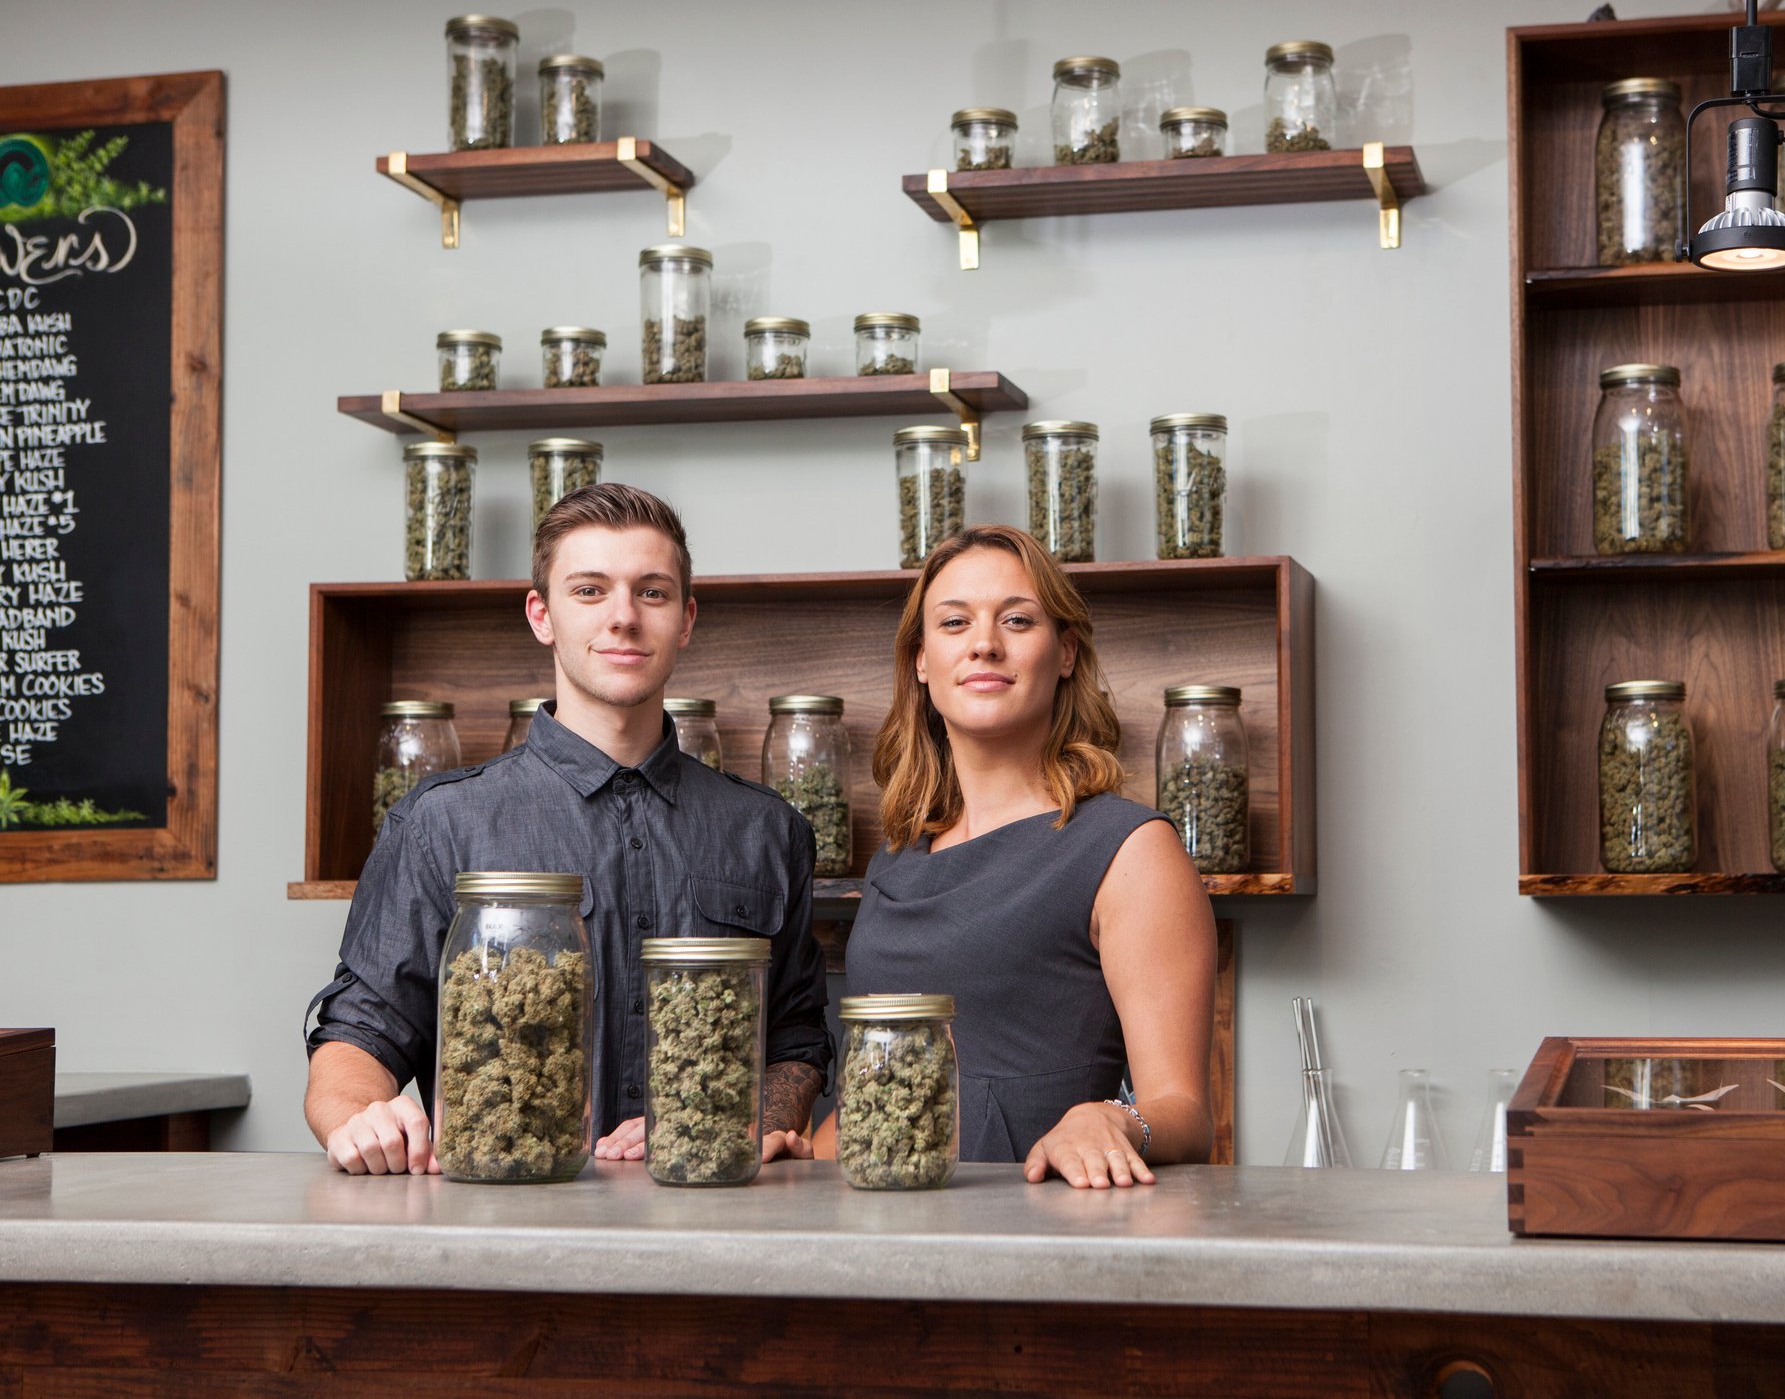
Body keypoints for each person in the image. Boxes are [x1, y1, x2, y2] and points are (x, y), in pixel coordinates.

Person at [302, 484, 832, 1175]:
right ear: (541, 615)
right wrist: (356, 1116)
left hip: (712, 1213)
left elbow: (794, 1036)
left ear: (686, 618)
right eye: (589, 590)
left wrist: (759, 1119)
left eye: (651, 592)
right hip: (505, 1216)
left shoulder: (767, 830)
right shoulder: (442, 822)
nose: (622, 618)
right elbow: (361, 1031)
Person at [838, 524, 1216, 1188]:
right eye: (953, 622)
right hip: (882, 1222)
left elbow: (1184, 1112)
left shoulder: (1130, 849)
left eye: (1016, 619)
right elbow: (865, 1103)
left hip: (1035, 1230)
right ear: (922, 660)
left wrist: (1111, 1119)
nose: (984, 642)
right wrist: (784, 1151)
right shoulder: (895, 858)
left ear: (1065, 652)